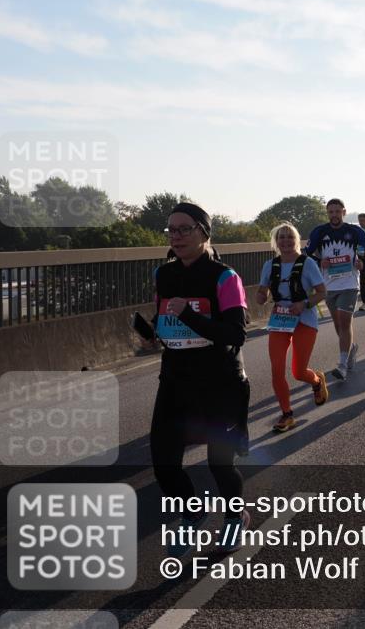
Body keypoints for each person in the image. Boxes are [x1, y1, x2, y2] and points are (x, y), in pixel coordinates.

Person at [146, 202, 251, 555]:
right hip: (176, 380)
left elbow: (235, 333)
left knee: (219, 464)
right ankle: (194, 513)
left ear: (204, 233)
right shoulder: (164, 275)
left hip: (220, 382)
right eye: (171, 230)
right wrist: (151, 334)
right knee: (163, 462)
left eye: (184, 229)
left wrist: (188, 316)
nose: (176, 236)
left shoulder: (225, 277)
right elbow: (166, 324)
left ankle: (236, 519)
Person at [257, 223, 329, 433]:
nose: (286, 241)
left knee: (298, 372)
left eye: (290, 237)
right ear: (276, 242)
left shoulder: (307, 264)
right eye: (281, 238)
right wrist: (261, 297)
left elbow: (321, 292)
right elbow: (263, 292)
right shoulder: (270, 265)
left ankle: (316, 380)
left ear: (296, 240)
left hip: (304, 320)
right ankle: (287, 414)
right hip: (280, 321)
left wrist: (304, 304)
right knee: (277, 370)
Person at [304, 199, 365, 380]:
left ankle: (342, 365)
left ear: (344, 212)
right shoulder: (320, 231)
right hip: (329, 285)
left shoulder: (354, 231)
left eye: (337, 211)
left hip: (349, 283)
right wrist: (320, 262)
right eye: (330, 212)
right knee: (338, 325)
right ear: (327, 213)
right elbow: (307, 252)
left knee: (344, 320)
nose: (334, 215)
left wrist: (362, 261)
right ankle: (351, 348)